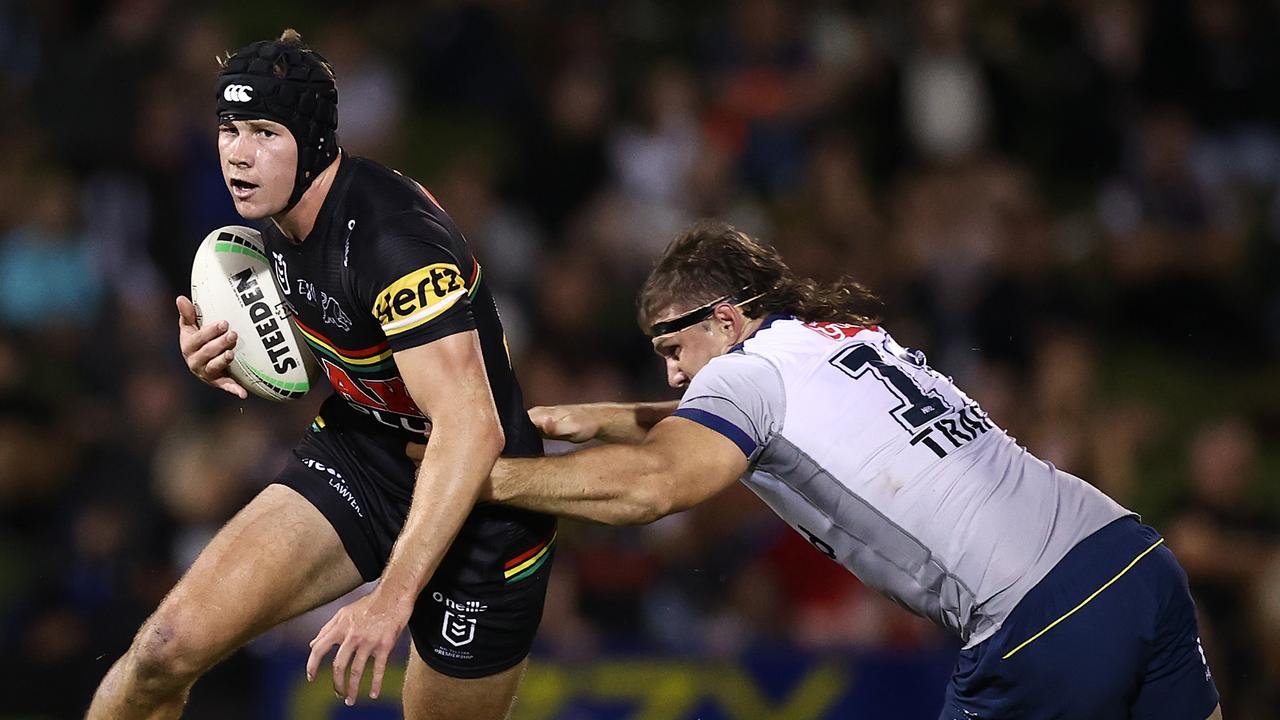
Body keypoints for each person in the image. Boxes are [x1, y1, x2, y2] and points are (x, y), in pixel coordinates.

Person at [469, 220, 1224, 719]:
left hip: (1036, 619)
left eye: (673, 351)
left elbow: (658, 486)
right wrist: (605, 418)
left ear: (725, 322)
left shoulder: (744, 378)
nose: (672, 377)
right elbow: (764, 423)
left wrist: (484, 480)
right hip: (1133, 559)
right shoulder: (837, 335)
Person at [88, 29, 555, 719]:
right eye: (228, 128)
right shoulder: (273, 219)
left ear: (311, 141)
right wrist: (232, 350)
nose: (238, 154)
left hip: (482, 503)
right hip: (363, 457)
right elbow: (344, 346)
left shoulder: (395, 242)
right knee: (161, 650)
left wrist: (391, 598)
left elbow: (471, 427)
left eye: (264, 132)